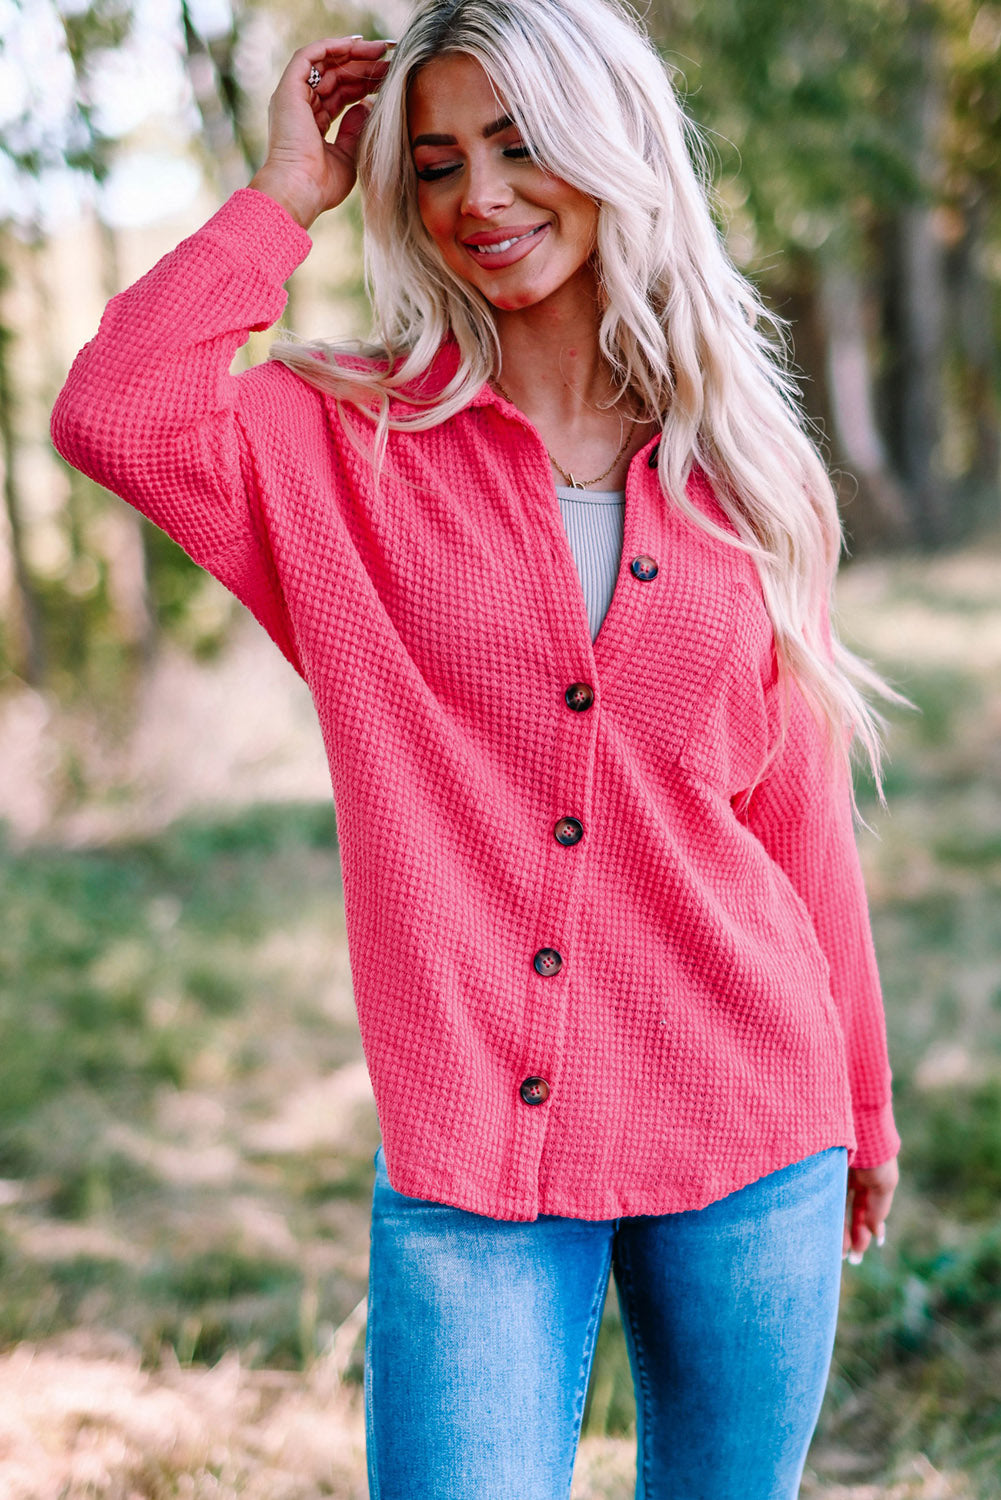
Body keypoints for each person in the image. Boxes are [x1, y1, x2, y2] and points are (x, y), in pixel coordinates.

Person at [51, 1, 902, 1495]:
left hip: (754, 1126)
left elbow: (795, 818)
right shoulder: (341, 444)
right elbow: (115, 412)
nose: (480, 199)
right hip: (471, 1156)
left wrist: (864, 1103)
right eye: (436, 163)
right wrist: (277, 200)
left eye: (519, 147)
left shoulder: (748, 477)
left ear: (609, 152)